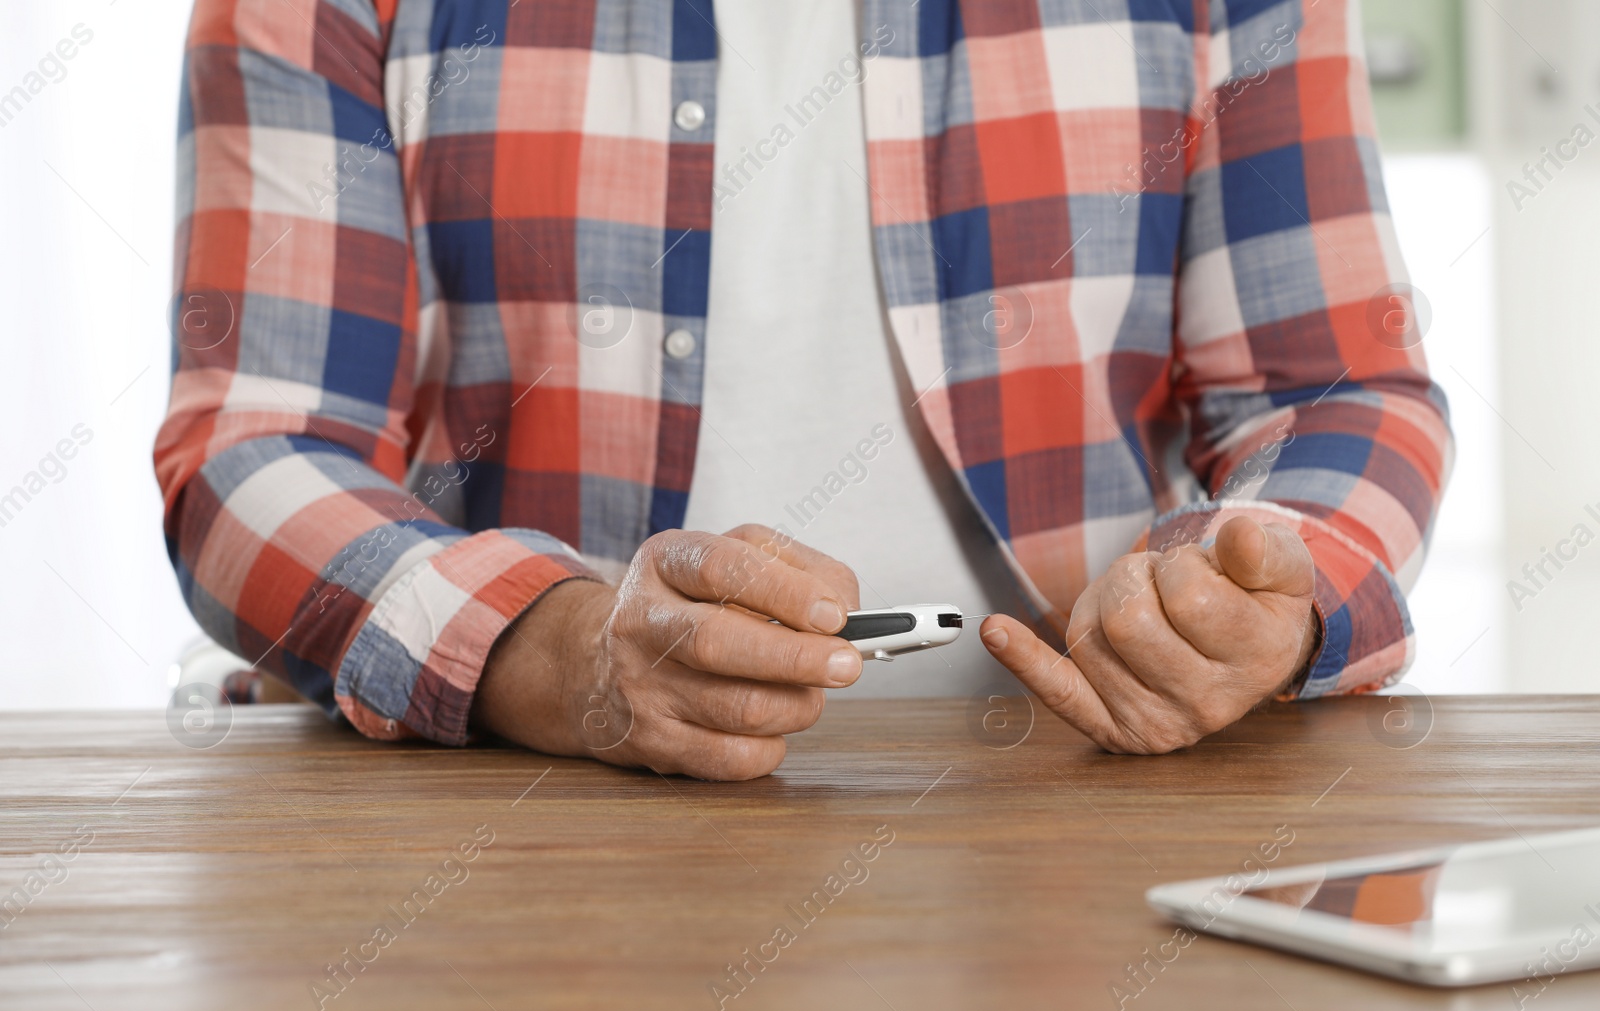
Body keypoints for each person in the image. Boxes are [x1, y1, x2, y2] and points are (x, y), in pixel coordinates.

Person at [155, 0, 1451, 780]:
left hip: (1092, 812)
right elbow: (255, 449)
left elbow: (1334, 389)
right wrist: (563, 656)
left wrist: (1263, 593)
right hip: (518, 808)